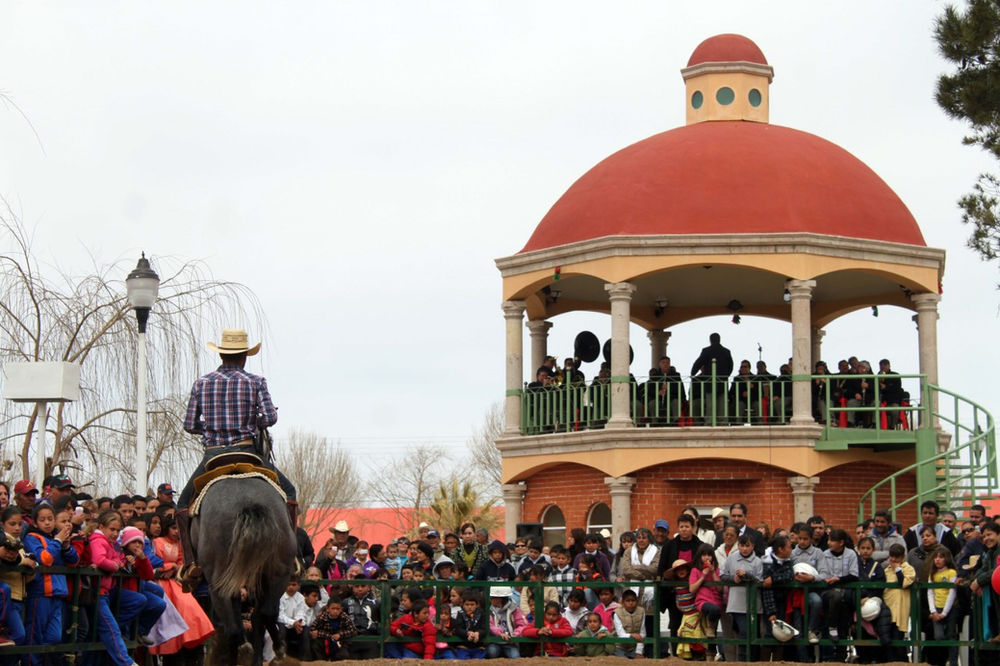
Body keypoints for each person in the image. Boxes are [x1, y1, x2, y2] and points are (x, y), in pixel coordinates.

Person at [176, 328, 297, 586]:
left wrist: (209, 428)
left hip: (213, 455)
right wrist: (253, 421)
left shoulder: (202, 383)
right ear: (244, 356)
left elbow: (189, 424)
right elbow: (271, 418)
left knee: (183, 505)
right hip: (247, 450)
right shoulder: (255, 382)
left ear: (221, 354)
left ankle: (191, 563)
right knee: (290, 492)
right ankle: (292, 558)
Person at [149, 514, 215, 657]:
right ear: (167, 528)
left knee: (189, 606)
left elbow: (181, 563)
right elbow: (155, 563)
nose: (177, 532)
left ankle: (188, 638)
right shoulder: (157, 542)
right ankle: (171, 644)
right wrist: (169, 566)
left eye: (179, 529)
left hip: (175, 581)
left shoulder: (179, 544)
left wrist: (174, 567)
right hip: (161, 582)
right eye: (173, 528)